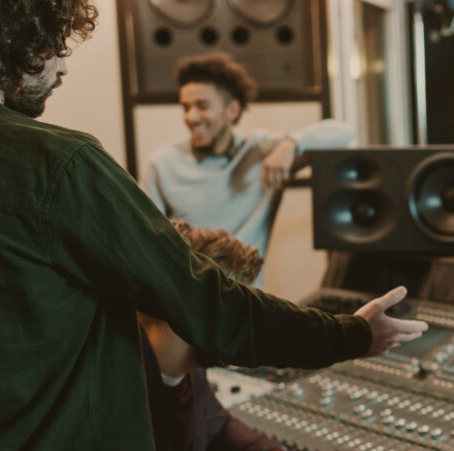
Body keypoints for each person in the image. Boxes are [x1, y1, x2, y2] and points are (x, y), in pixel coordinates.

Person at [0, 3, 427, 451]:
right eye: (54, 48)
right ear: (17, 43)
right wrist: (351, 336)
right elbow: (198, 298)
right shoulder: (60, 165)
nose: (63, 68)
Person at [140, 221, 357, 451]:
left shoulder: (187, 371)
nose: (247, 333)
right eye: (240, 315)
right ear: (195, 311)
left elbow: (219, 427)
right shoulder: (111, 388)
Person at [140, 52, 355, 287]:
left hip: (248, 299)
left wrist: (291, 144)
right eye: (186, 107)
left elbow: (344, 132)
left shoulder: (261, 151)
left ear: (232, 110)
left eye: (201, 106)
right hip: (185, 298)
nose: (191, 117)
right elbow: (147, 242)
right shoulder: (161, 164)